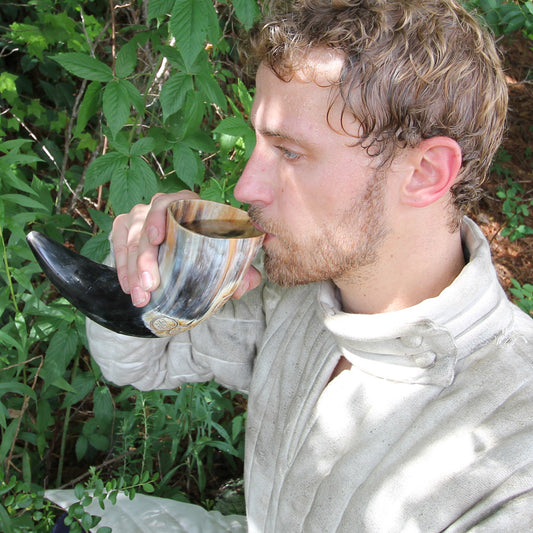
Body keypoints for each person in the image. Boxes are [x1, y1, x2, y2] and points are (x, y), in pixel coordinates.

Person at [52, 0, 533, 531]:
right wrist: (151, 268)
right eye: (260, 140)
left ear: (424, 172)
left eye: (291, 152)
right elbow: (134, 363)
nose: (244, 187)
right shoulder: (297, 299)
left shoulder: (513, 455)